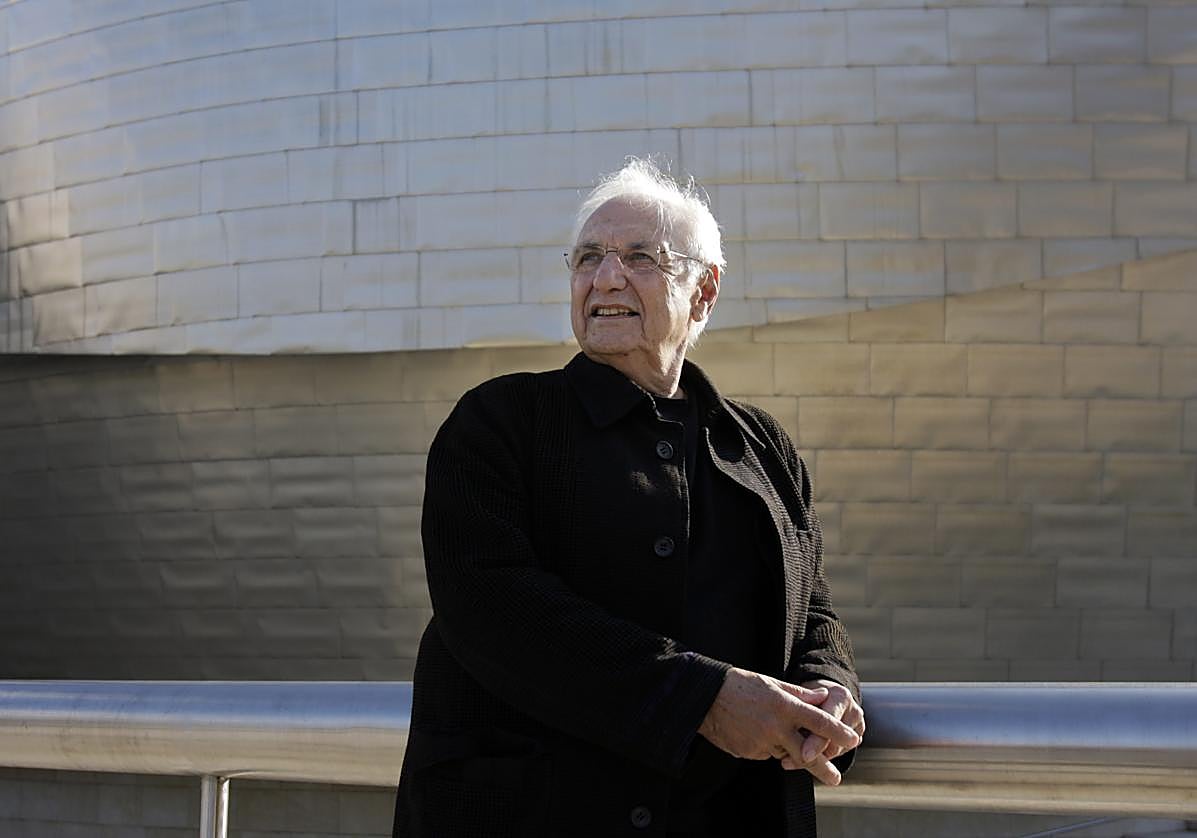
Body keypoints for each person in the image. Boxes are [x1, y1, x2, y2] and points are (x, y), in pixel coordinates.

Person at [393, 158, 863, 838]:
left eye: (641, 258)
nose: (605, 277)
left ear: (704, 292)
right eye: (588, 258)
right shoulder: (501, 421)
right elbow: (490, 606)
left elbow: (811, 607)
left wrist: (829, 688)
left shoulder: (761, 445)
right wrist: (699, 700)